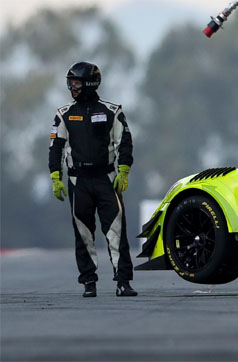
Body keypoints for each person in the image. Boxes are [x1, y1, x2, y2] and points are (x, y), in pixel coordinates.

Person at [49, 61, 137, 297]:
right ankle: (89, 282)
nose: (72, 87)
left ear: (89, 83)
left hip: (106, 178)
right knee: (83, 234)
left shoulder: (112, 110)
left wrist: (124, 170)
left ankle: (123, 282)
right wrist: (55, 176)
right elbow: (55, 146)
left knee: (116, 231)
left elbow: (125, 142)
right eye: (70, 83)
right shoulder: (63, 114)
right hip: (78, 182)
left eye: (76, 83)